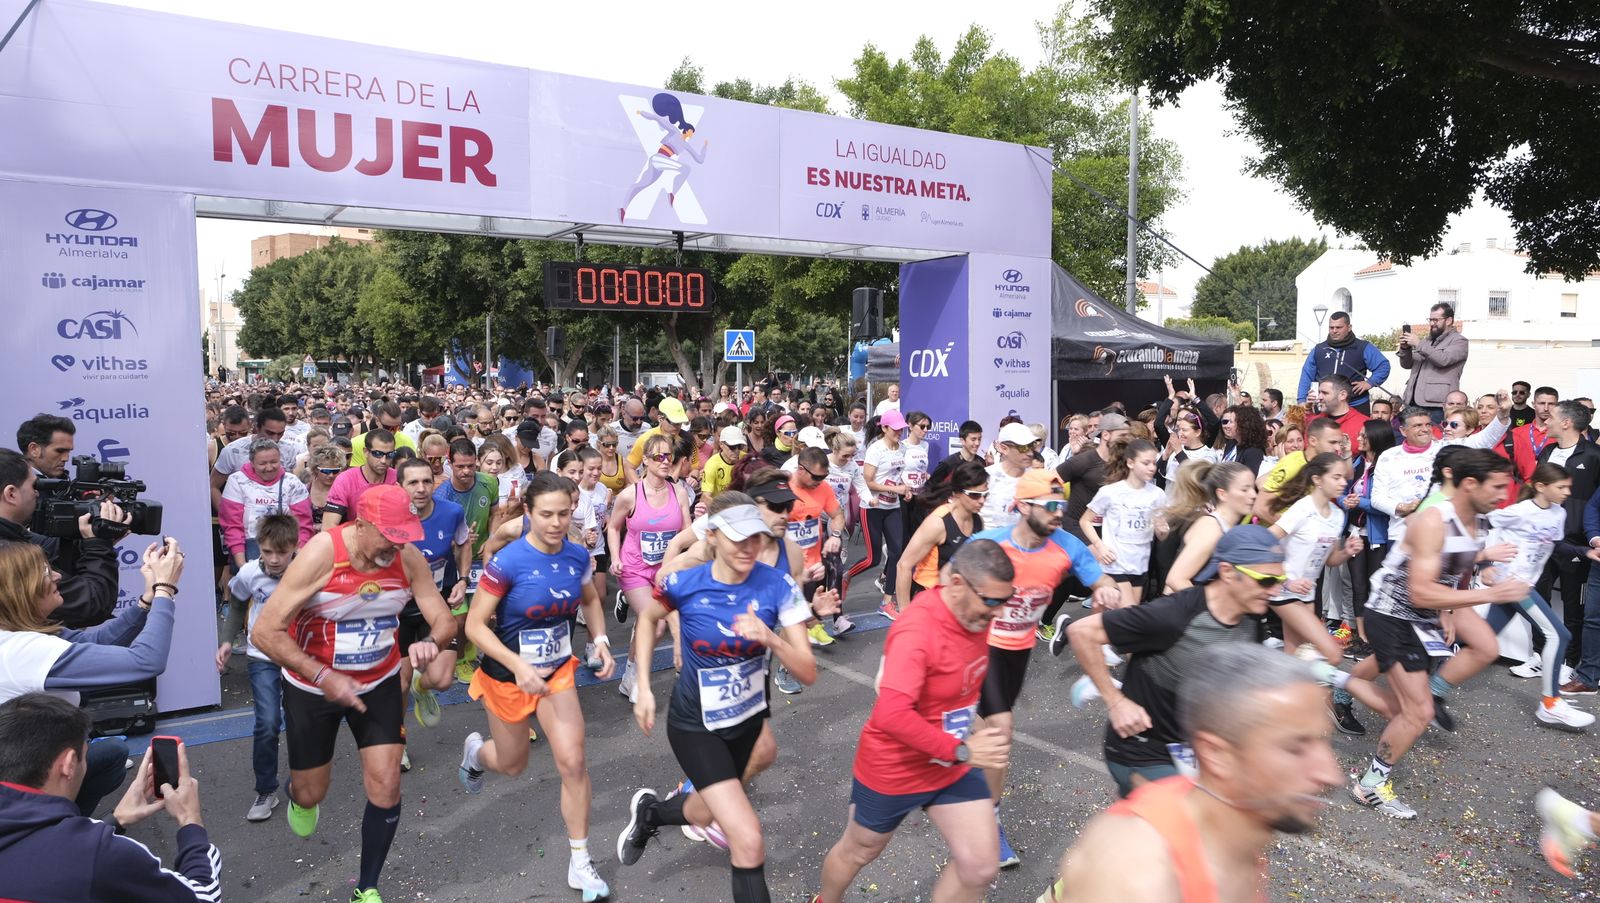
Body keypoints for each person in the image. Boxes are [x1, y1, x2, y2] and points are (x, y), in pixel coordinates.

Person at [251, 484, 457, 903]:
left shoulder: (406, 556)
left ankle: (367, 888)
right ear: (360, 525)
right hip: (313, 687)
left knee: (386, 784)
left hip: (379, 681)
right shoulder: (321, 554)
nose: (395, 547)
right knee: (313, 791)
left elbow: (444, 620)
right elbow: (264, 632)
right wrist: (323, 675)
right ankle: (299, 797)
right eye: (389, 536)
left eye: (404, 536)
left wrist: (431, 641)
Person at [617, 502, 816, 903]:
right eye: (738, 538)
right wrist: (642, 686)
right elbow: (646, 619)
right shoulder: (686, 583)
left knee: (705, 811)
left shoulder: (777, 585)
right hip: (695, 726)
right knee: (747, 839)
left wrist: (772, 638)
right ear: (713, 537)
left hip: (747, 724)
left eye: (756, 538)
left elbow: (808, 673)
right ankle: (657, 813)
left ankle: (652, 813)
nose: (749, 547)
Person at [1043, 646, 1343, 903]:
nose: (1332, 774)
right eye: (1295, 748)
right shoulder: (1140, 879)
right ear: (1217, 755)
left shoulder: (1241, 826)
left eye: (1323, 741)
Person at [815, 541, 1016, 903]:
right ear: (956, 583)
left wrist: (993, 718)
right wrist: (964, 749)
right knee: (861, 849)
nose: (998, 612)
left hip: (951, 761)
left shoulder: (976, 611)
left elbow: (975, 671)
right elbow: (891, 715)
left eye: (1006, 600)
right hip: (898, 765)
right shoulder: (919, 630)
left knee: (979, 866)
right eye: (990, 601)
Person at [457, 472, 616, 901]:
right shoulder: (507, 562)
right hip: (507, 675)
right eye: (546, 514)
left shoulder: (577, 556)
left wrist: (599, 641)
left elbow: (589, 601)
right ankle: (476, 754)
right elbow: (474, 626)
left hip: (557, 672)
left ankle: (580, 861)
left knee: (573, 761)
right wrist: (515, 664)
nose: (556, 523)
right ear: (528, 512)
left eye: (564, 513)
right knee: (512, 764)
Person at [1345, 449, 1527, 820]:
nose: (1502, 496)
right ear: (1470, 484)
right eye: (1497, 487)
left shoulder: (1476, 520)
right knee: (1417, 711)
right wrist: (1489, 594)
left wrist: (1453, 606)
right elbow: (1419, 591)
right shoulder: (1433, 520)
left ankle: (1341, 688)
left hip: (1422, 616)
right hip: (1392, 614)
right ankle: (1369, 785)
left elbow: (1457, 568)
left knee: (1413, 704)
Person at [1068, 525, 1299, 796]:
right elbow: (1081, 632)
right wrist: (1116, 702)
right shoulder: (1174, 615)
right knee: (1190, 821)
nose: (1273, 590)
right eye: (1265, 580)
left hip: (1194, 752)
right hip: (1143, 751)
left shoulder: (1250, 622)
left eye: (1279, 580)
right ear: (1226, 571)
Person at [973, 470, 1119, 867]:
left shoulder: (1067, 544)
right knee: (999, 733)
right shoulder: (989, 544)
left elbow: (1098, 576)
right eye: (1051, 505)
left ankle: (949, 773)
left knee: (983, 731)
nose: (1059, 512)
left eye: (1062, 504)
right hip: (977, 647)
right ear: (1023, 506)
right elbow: (947, 587)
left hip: (1017, 652)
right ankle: (989, 823)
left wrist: (1105, 587)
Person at [0, 538, 184, 816]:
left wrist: (147, 600)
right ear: (19, 588)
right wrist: (165, 589)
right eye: (46, 572)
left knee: (111, 755)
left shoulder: (20, 634)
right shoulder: (23, 651)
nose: (58, 576)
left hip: (26, 766)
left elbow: (97, 641)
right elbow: (146, 661)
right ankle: (61, 829)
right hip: (19, 790)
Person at [0, 693, 222, 901]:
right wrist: (190, 821)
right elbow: (203, 896)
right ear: (68, 765)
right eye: (85, 756)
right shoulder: (96, 856)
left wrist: (116, 820)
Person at [1482, 463, 1593, 729]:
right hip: (1511, 582)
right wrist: (1485, 565)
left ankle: (1432, 684)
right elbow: (1481, 527)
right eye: (1561, 487)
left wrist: (1584, 552)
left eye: (1569, 487)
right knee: (1560, 634)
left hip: (1524, 583)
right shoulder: (1518, 511)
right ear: (1541, 487)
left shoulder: (1557, 513)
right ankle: (1550, 704)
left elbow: (1556, 546)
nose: (1568, 492)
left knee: (1479, 639)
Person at [215, 514, 299, 822]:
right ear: (259, 548)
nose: (274, 560)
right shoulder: (250, 572)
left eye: (281, 552)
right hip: (261, 655)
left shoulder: (308, 571)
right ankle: (266, 790)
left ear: (295, 547)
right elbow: (237, 604)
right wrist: (226, 641)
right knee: (267, 723)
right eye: (267, 552)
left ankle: (305, 785)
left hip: (299, 657)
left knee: (302, 724)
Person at [394, 459, 471, 753]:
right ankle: (397, 742)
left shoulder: (451, 512)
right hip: (399, 612)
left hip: (438, 605)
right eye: (413, 482)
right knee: (398, 686)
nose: (422, 488)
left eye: (427, 481)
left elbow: (463, 543)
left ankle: (421, 686)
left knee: (440, 679)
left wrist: (463, 580)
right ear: (400, 486)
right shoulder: (390, 519)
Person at [0, 448, 124, 628]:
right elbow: (91, 604)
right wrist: (99, 546)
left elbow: (51, 549)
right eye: (35, 486)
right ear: (11, 494)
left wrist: (90, 530)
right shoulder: (9, 559)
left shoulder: (13, 535)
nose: (36, 494)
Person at [607, 434, 690, 700]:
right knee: (655, 625)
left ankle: (630, 675)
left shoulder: (678, 491)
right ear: (645, 460)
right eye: (659, 456)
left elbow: (686, 529)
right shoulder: (630, 495)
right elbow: (613, 527)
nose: (666, 461)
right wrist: (615, 557)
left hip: (665, 568)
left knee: (662, 619)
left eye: (670, 456)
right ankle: (635, 679)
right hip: (635, 569)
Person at [1080, 439, 1169, 608]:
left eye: (1154, 463)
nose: (1152, 468)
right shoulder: (1110, 492)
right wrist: (1100, 546)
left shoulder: (1157, 495)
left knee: (1117, 618)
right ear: (1130, 463)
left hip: (1140, 566)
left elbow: (1161, 534)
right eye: (1146, 463)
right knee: (1127, 615)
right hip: (1114, 564)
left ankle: (1081, 630)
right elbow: (1085, 521)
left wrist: (1163, 530)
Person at [897, 460, 987, 606]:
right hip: (928, 602)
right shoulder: (937, 523)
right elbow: (903, 566)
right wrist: (904, 615)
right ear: (957, 493)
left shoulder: (978, 522)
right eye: (975, 495)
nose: (982, 501)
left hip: (956, 603)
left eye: (985, 495)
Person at [851, 410, 913, 619]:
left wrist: (905, 488)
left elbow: (897, 476)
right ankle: (846, 575)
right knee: (873, 558)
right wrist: (895, 490)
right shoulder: (876, 449)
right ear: (885, 428)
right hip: (872, 507)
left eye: (902, 428)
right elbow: (868, 481)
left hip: (892, 506)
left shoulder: (902, 448)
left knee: (897, 552)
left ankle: (887, 602)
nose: (900, 432)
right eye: (896, 429)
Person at [219, 438, 315, 568]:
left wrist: (298, 562)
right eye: (262, 463)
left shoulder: (292, 483)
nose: (269, 468)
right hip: (248, 550)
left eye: (274, 462)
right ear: (252, 462)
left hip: (286, 552)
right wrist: (242, 565)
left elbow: (303, 525)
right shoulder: (237, 481)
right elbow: (232, 525)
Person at [1298, 310, 1390, 412]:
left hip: (1356, 405)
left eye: (1338, 327)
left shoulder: (1362, 347)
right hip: (1324, 406)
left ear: (1349, 328)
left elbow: (1383, 366)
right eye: (1331, 327)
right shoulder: (1319, 349)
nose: (1334, 331)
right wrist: (1301, 400)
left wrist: (1369, 383)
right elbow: (1307, 375)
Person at [1398, 302, 1469, 421]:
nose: (1431, 323)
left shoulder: (1460, 341)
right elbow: (1407, 365)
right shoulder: (1428, 341)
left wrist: (1419, 344)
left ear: (1449, 320)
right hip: (1412, 401)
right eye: (1430, 319)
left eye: (1436, 320)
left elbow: (1443, 360)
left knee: (1436, 437)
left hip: (1436, 405)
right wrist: (1405, 349)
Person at [322, 428, 400, 530]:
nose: (384, 461)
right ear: (366, 452)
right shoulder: (346, 480)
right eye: (377, 454)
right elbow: (328, 527)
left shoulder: (399, 478)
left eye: (390, 455)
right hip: (355, 540)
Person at [979, 421, 1042, 534]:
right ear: (1004, 448)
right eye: (1023, 448)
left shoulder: (1038, 480)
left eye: (1031, 446)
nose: (1030, 453)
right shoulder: (985, 477)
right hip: (990, 546)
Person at [1314, 375, 1370, 450]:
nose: (1319, 397)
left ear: (1342, 395)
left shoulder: (1365, 425)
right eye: (1319, 392)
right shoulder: (1314, 422)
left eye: (1325, 393)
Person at [927, 421, 985, 488]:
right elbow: (929, 487)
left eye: (979, 439)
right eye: (973, 439)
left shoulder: (981, 463)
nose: (977, 443)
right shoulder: (948, 463)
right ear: (962, 440)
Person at [702, 426, 747, 499]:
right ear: (721, 445)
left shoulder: (745, 459)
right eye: (732, 447)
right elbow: (706, 496)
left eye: (739, 446)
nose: (736, 451)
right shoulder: (712, 464)